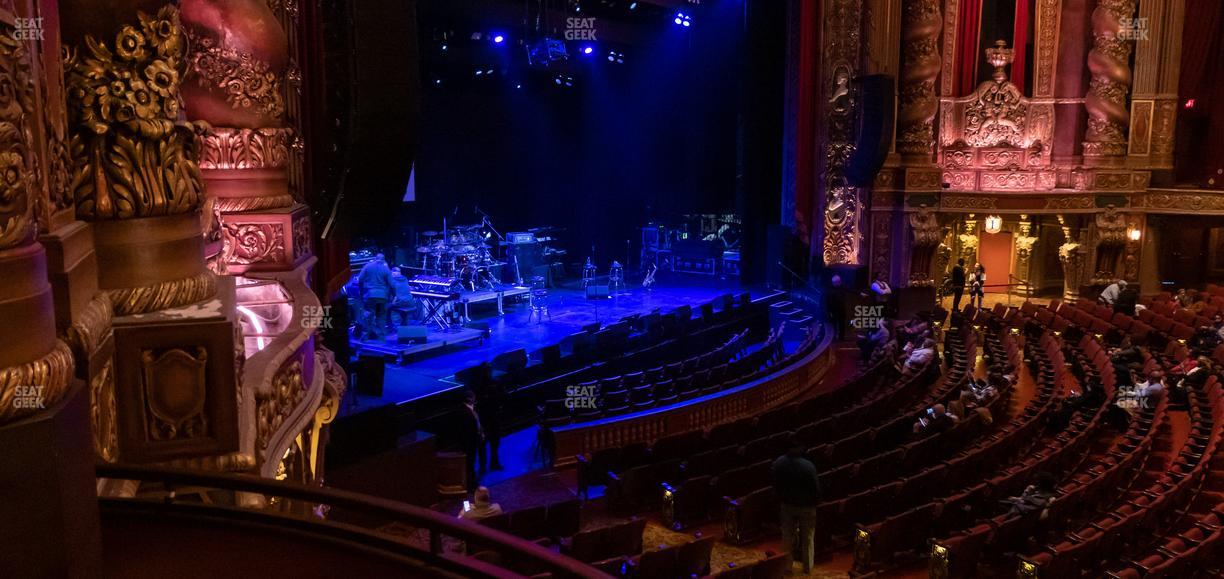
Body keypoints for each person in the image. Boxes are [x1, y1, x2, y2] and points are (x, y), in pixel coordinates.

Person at [772, 441, 821, 574]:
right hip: (806, 507)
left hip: (787, 505)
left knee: (787, 537)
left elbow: (775, 484)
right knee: (808, 537)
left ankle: (787, 566)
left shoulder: (779, 463)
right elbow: (815, 489)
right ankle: (807, 567)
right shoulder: (808, 466)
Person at [357, 253, 394, 340]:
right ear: (384, 259)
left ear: (375, 258)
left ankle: (365, 336)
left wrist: (361, 292)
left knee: (368, 315)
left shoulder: (367, 266)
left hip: (370, 295)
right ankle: (381, 337)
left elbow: (360, 280)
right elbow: (392, 285)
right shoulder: (386, 269)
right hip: (382, 296)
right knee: (381, 316)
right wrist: (393, 296)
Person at [457, 390, 485, 493]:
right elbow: (466, 430)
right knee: (469, 463)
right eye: (473, 397)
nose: (475, 398)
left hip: (474, 441)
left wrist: (481, 432)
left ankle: (473, 482)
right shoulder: (464, 412)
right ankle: (471, 485)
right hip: (469, 443)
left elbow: (477, 422)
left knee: (472, 462)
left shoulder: (471, 409)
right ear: (469, 399)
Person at [827, 275, 849, 342]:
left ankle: (841, 337)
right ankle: (833, 338)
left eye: (839, 281)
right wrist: (829, 311)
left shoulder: (842, 288)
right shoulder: (829, 290)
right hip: (833, 310)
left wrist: (860, 294)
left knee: (842, 324)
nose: (839, 283)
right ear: (833, 282)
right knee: (834, 325)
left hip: (841, 309)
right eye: (837, 282)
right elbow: (827, 301)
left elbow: (850, 290)